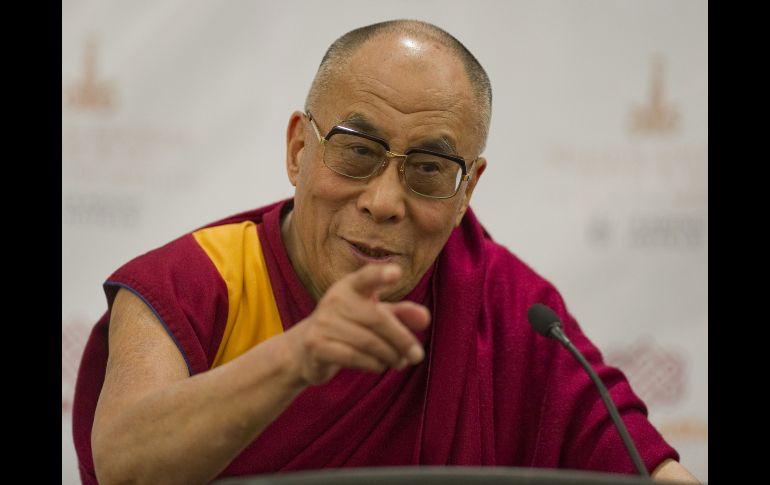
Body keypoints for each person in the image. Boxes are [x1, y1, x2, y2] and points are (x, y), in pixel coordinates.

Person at [73, 19, 699, 485]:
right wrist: (299, 355)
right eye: (357, 150)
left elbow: (642, 462)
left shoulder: (505, 304)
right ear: (299, 150)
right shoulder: (193, 283)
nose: (384, 200)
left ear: (466, 190)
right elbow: (125, 465)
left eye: (428, 168)